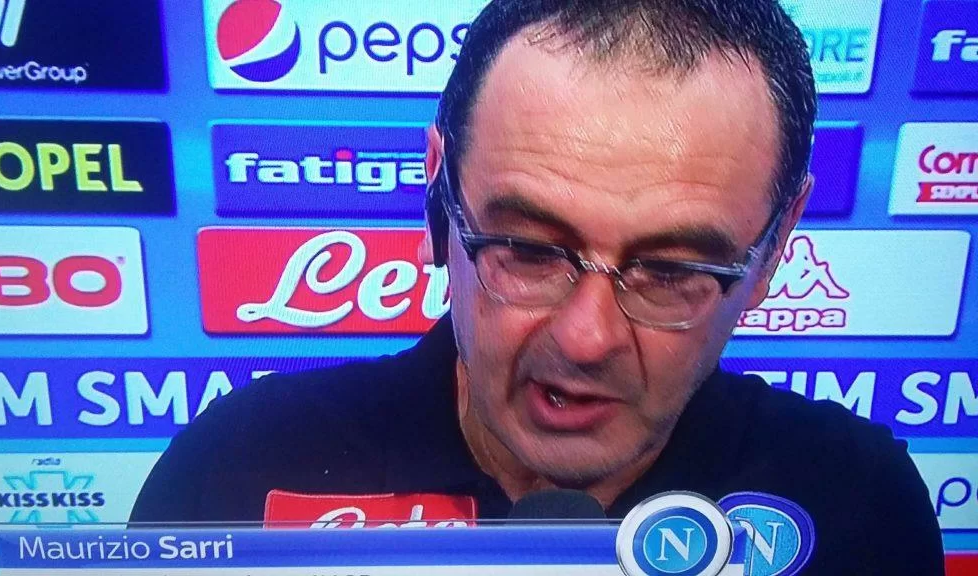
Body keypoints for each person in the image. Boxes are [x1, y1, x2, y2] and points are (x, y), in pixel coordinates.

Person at [131, 0, 945, 573]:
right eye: (526, 249)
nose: (585, 338)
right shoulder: (233, 471)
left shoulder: (856, 503)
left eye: (672, 271)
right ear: (437, 196)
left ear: (774, 249)